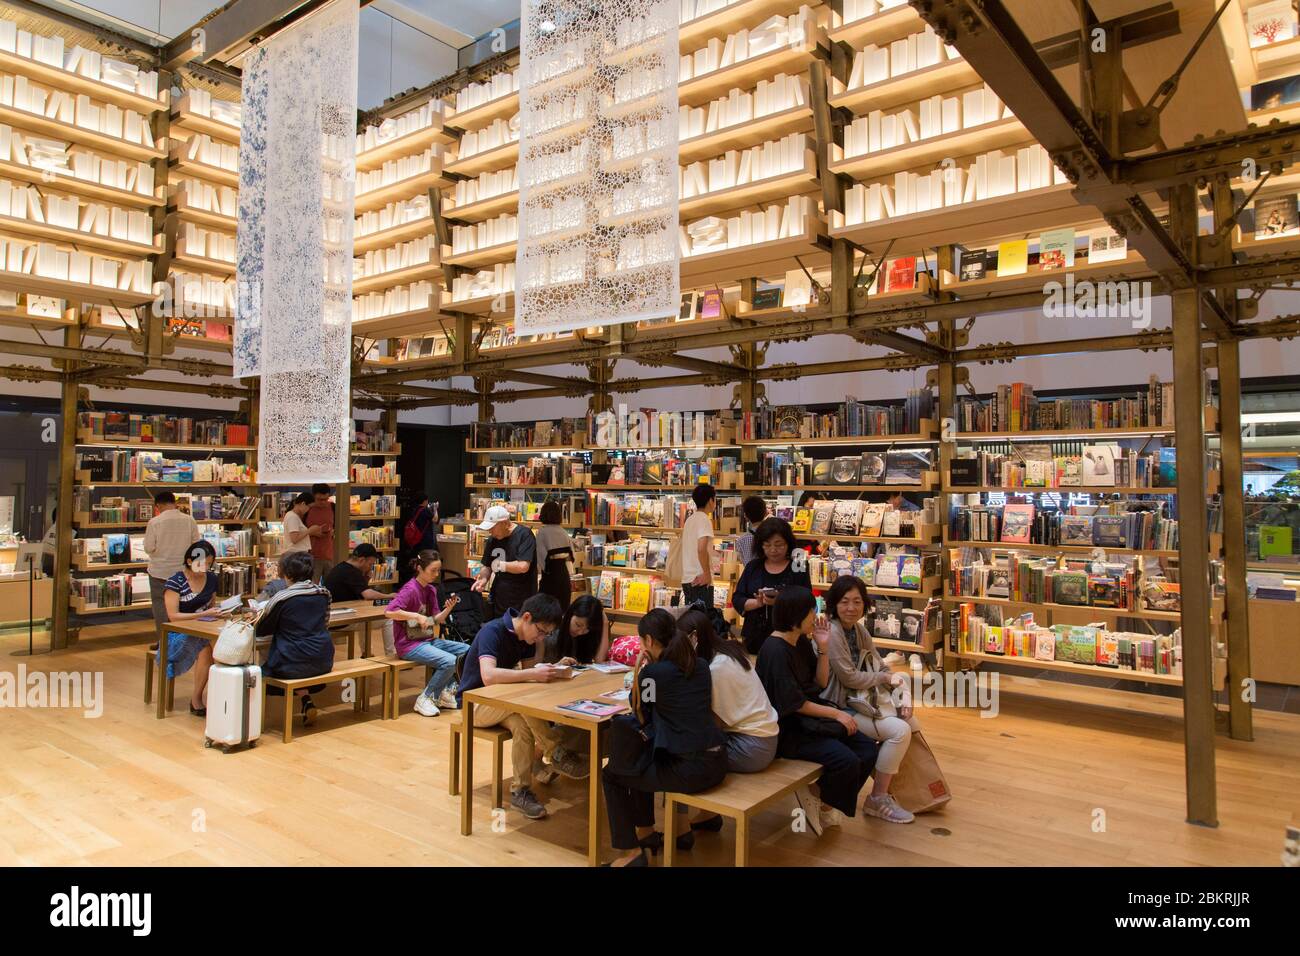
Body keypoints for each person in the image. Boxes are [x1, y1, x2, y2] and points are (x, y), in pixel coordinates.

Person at [601, 608, 727, 867]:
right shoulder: (701, 666)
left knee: (613, 774)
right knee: (641, 760)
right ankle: (646, 836)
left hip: (688, 770)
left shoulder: (653, 675)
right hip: (717, 762)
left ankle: (631, 853)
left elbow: (640, 713)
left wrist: (643, 669)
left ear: (648, 641)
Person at [755, 586, 877, 835]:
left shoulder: (798, 641)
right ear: (797, 614)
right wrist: (837, 714)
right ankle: (821, 799)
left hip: (810, 719)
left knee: (866, 748)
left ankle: (818, 795)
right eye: (812, 611)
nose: (817, 617)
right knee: (847, 761)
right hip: (791, 729)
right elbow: (794, 704)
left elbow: (819, 683)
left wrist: (822, 648)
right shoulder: (775, 650)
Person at [457, 593, 588, 819]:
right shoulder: (492, 631)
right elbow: (488, 676)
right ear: (526, 617)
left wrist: (553, 668)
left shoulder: (526, 640)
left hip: (503, 703)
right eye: (541, 631)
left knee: (523, 725)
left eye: (546, 634)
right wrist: (533, 673)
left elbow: (528, 680)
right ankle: (556, 751)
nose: (541, 638)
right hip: (475, 704)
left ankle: (521, 791)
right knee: (523, 706)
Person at [820, 576, 920, 824]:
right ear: (834, 604)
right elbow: (850, 678)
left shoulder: (858, 630)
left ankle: (902, 789)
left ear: (865, 604)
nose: (851, 608)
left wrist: (902, 692)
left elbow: (880, 666)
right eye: (844, 602)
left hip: (863, 700)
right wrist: (886, 679)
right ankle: (877, 798)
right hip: (840, 705)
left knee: (912, 722)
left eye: (857, 601)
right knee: (899, 732)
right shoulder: (833, 632)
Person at [254, 550, 334, 726]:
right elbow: (325, 622)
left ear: (287, 573)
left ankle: (253, 719)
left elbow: (261, 630)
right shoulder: (323, 593)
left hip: (290, 662)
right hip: (323, 660)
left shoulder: (282, 597)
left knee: (257, 670)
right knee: (295, 655)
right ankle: (306, 699)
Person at [385, 549, 468, 716]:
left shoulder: (431, 590)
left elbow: (436, 620)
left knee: (467, 651)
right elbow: (389, 611)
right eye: (433, 570)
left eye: (438, 570)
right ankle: (426, 697)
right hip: (408, 644)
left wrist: (448, 609)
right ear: (420, 569)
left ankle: (445, 692)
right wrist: (415, 615)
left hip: (426, 640)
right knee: (450, 661)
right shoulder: (409, 589)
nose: (436, 574)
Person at [156, 539, 224, 716]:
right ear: (189, 561)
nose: (205, 568)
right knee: (207, 648)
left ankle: (219, 691)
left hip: (203, 628)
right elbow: (173, 617)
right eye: (201, 564)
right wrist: (202, 614)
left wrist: (218, 612)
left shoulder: (211, 579)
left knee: (213, 642)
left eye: (209, 564)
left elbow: (211, 605)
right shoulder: (175, 581)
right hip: (177, 633)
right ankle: (205, 696)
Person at [731, 517, 813, 655]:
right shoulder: (753, 566)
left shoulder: (798, 564)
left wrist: (780, 601)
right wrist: (757, 603)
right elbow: (737, 598)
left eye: (778, 544)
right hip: (754, 637)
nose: (773, 550)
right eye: (767, 545)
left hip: (790, 638)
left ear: (788, 543)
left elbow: (807, 599)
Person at [144, 491, 200, 639]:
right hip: (183, 573)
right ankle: (182, 639)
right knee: (183, 605)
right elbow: (197, 545)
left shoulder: (154, 522)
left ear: (158, 505)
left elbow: (149, 547)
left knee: (160, 606)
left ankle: (163, 641)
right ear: (174, 503)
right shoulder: (189, 520)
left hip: (159, 572)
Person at [471, 504, 538, 618]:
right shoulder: (493, 539)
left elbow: (523, 566)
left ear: (505, 523)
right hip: (499, 597)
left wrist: (499, 565)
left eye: (492, 527)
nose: (490, 531)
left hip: (522, 599)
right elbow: (487, 565)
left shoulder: (525, 535)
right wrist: (483, 579)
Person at [542, 593, 609, 666]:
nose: (580, 632)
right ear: (571, 614)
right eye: (578, 625)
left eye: (587, 629)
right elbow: (536, 669)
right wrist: (558, 665)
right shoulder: (551, 630)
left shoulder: (588, 635)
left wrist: (605, 624)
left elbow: (600, 661)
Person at [535, 499, 575, 614]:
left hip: (550, 574)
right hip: (564, 574)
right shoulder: (563, 531)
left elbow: (541, 558)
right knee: (562, 610)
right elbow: (571, 556)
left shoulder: (542, 532)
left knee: (546, 611)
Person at [680, 483, 716, 607]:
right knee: (703, 622)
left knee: (691, 621)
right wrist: (707, 574)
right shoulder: (704, 519)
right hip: (700, 579)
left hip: (688, 579)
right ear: (711, 501)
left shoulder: (690, 520)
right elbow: (701, 549)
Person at [324, 543, 390, 603]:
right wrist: (389, 596)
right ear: (362, 560)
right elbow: (368, 595)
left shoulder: (344, 567)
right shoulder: (351, 572)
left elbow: (361, 589)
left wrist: (366, 577)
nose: (370, 568)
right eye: (370, 564)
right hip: (338, 609)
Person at [306, 483, 336, 582]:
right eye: (319, 499)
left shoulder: (332, 507)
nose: (323, 502)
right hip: (311, 555)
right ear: (313, 496)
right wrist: (312, 532)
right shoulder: (306, 509)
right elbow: (298, 531)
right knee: (311, 585)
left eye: (325, 499)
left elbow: (338, 526)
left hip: (330, 554)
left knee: (331, 586)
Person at [733, 495, 768, 567]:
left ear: (745, 516)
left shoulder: (741, 540)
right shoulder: (772, 535)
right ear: (765, 513)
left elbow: (744, 563)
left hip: (750, 577)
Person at [281, 493, 317, 557]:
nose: (309, 510)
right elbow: (294, 539)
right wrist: (310, 530)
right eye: (309, 507)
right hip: (295, 554)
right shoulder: (292, 517)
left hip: (296, 554)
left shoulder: (294, 516)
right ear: (303, 503)